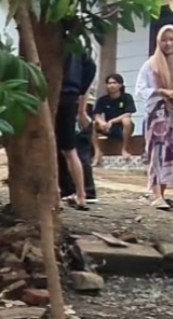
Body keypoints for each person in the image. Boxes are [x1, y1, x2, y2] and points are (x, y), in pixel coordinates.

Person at [135, 24, 173, 209]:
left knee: (171, 154)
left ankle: (162, 192)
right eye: (164, 39)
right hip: (157, 115)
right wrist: (160, 92)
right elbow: (140, 89)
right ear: (158, 41)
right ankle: (156, 194)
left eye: (172, 39)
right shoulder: (150, 64)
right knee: (156, 152)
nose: (168, 43)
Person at [56, 49, 97, 210]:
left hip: (54, 92)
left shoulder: (55, 38)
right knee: (70, 149)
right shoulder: (78, 43)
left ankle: (56, 195)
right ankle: (81, 195)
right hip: (71, 95)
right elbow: (91, 67)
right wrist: (80, 88)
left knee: (53, 147)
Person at [91, 74, 136, 165]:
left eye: (114, 83)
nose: (111, 85)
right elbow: (96, 114)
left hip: (122, 127)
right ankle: (97, 152)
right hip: (108, 127)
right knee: (93, 124)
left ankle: (124, 149)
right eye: (109, 83)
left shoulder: (127, 97)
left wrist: (112, 121)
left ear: (120, 85)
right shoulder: (103, 100)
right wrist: (102, 122)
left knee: (126, 121)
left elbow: (128, 113)